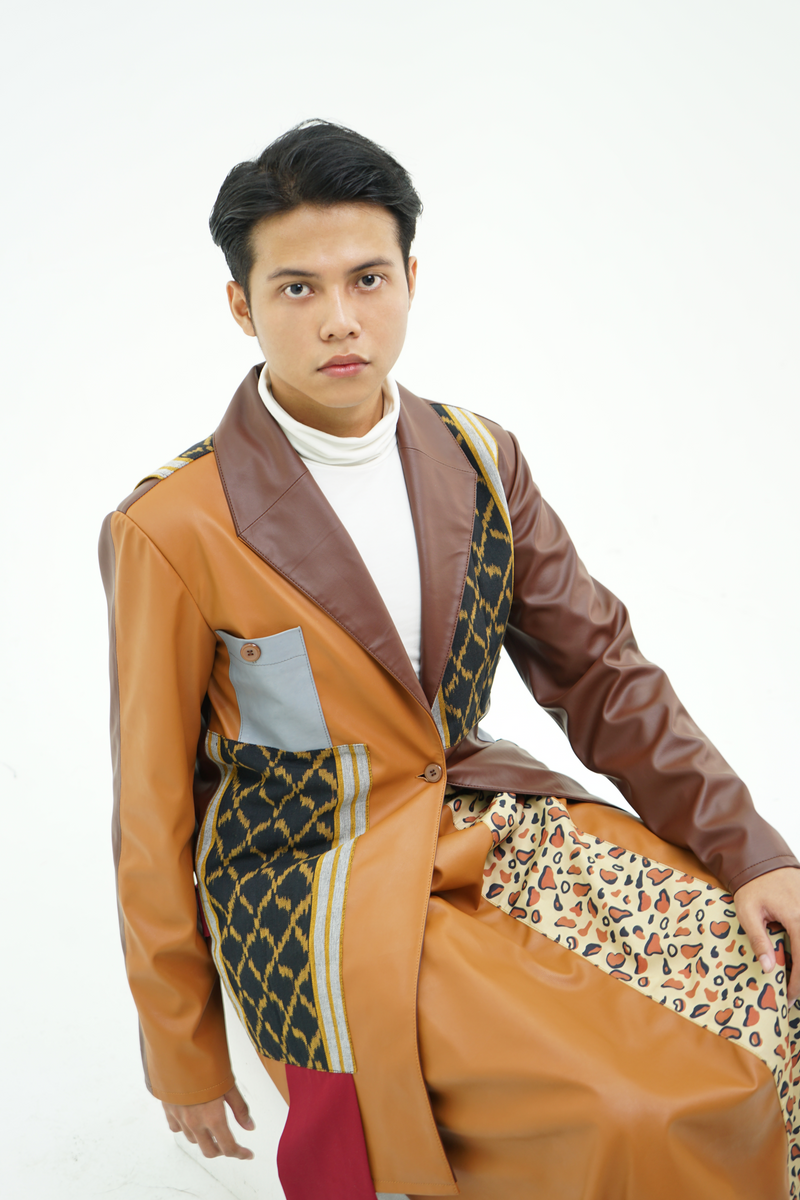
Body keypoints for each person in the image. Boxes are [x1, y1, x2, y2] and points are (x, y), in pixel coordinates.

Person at [99, 119, 800, 1200]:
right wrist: (180, 1048)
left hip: (485, 817)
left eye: (367, 278)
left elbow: (601, 673)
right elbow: (150, 810)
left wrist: (748, 852)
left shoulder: (478, 457)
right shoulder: (173, 525)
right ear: (240, 305)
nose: (340, 319)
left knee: (766, 990)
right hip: (314, 877)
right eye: (296, 288)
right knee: (627, 1109)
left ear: (411, 280)